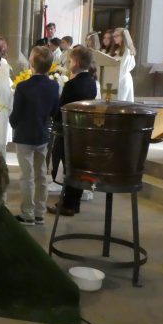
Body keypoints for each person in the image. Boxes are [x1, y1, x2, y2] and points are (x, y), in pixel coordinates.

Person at [9, 46, 59, 226]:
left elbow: (16, 114)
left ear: (31, 63)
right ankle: (40, 213)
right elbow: (55, 111)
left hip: (24, 135)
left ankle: (27, 214)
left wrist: (13, 124)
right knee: (41, 175)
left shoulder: (23, 86)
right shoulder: (54, 86)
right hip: (42, 135)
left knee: (27, 176)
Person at [47, 45, 98, 216]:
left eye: (69, 60)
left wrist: (54, 116)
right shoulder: (92, 83)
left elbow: (62, 108)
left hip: (68, 131)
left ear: (76, 62)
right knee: (77, 168)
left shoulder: (71, 85)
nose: (68, 63)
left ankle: (68, 204)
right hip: (83, 131)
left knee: (68, 168)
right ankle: (73, 202)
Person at [112, 27, 136, 102]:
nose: (114, 38)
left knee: (121, 102)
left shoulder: (127, 51)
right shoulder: (119, 50)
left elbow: (123, 68)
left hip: (122, 79)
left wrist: (114, 81)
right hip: (121, 78)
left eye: (117, 36)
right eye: (114, 36)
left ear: (123, 37)